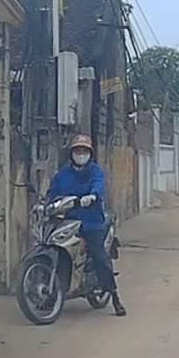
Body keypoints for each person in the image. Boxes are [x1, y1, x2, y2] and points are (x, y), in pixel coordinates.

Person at [47, 134, 127, 317]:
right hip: (67, 220)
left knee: (100, 257)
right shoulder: (62, 174)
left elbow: (99, 186)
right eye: (77, 151)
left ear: (90, 154)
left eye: (84, 151)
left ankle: (114, 297)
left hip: (91, 221)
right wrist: (48, 203)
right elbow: (52, 192)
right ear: (71, 153)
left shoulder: (95, 172)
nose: (80, 154)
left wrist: (92, 196)